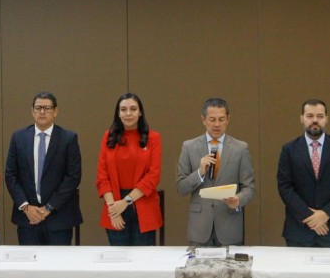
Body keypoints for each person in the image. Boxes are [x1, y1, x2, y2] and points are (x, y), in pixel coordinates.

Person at [5, 92, 82, 246]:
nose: (42, 112)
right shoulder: (18, 137)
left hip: (59, 218)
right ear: (32, 111)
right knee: (30, 261)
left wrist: (49, 207)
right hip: (28, 218)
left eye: (47, 108)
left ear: (55, 111)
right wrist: (26, 207)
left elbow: (73, 177)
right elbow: (11, 175)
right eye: (38, 108)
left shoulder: (68, 138)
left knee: (58, 261)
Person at [277, 99, 330, 248]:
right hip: (298, 231)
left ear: (327, 119)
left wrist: (326, 214)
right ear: (301, 118)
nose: (315, 120)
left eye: (320, 116)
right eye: (309, 116)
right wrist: (310, 217)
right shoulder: (289, 149)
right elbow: (285, 187)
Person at [177, 98, 255, 247]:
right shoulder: (189, 147)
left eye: (221, 119)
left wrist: (238, 200)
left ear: (228, 119)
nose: (217, 124)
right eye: (212, 119)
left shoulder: (240, 148)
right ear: (203, 120)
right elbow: (181, 187)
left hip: (229, 225)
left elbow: (249, 187)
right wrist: (199, 173)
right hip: (199, 227)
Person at [96, 93, 163, 246]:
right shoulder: (108, 137)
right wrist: (113, 209)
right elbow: (102, 177)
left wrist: (126, 201)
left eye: (133, 109)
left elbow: (153, 176)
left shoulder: (153, 138)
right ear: (118, 113)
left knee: (143, 258)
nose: (128, 113)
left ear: (140, 112)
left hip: (142, 203)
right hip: (114, 204)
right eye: (123, 109)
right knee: (119, 258)